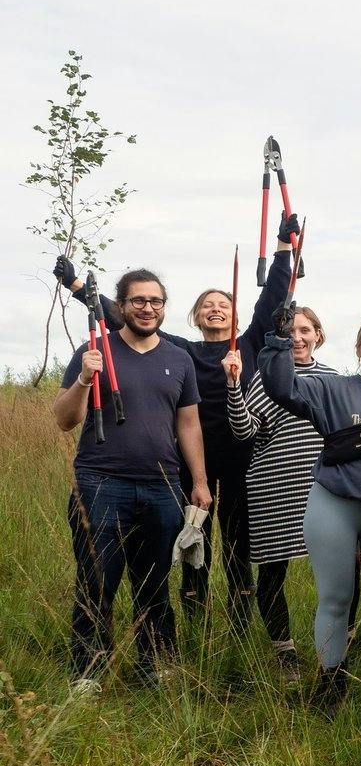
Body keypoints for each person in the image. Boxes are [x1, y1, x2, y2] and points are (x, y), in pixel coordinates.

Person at [57, 217, 296, 629]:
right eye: (207, 305)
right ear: (194, 316)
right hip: (190, 461)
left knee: (238, 547)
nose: (215, 309)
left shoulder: (250, 343)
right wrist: (81, 291)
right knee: (193, 543)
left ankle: (239, 628)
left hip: (241, 459)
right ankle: (196, 622)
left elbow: (274, 296)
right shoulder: (180, 352)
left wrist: (281, 246)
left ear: (235, 315)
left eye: (223, 304)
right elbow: (126, 320)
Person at [258, 313, 361, 715]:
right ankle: (330, 687)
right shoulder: (334, 388)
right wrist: (279, 341)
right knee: (336, 598)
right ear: (358, 351)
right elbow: (282, 388)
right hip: (333, 504)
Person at [53, 270, 212, 695]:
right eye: (138, 301)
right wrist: (86, 379)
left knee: (155, 583)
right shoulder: (94, 350)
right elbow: (65, 420)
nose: (147, 308)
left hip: (163, 486)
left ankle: (156, 666)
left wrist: (198, 481)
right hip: (100, 484)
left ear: (164, 307)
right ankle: (87, 673)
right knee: (97, 580)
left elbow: (189, 423)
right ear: (120, 305)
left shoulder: (179, 359)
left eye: (156, 301)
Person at [225, 304, 338, 682]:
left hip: (326, 489)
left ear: (318, 336)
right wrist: (233, 388)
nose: (298, 337)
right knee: (273, 573)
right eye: (291, 331)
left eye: (306, 330)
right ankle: (284, 652)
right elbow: (244, 432)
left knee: (341, 568)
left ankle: (338, 645)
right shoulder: (262, 378)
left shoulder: (334, 379)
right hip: (273, 486)